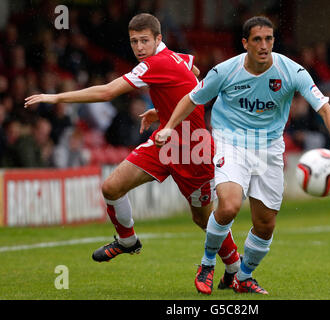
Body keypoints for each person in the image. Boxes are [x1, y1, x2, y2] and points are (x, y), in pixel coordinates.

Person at [24, 13, 240, 291]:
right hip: (164, 142)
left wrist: (56, 96)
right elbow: (194, 76)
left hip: (193, 149)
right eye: (134, 41)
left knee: (203, 219)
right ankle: (127, 240)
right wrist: (163, 109)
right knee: (111, 187)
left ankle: (235, 268)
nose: (138, 47)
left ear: (158, 39)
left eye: (144, 41)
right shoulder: (178, 57)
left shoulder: (155, 64)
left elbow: (107, 92)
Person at [156, 16, 330, 295]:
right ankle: (207, 263)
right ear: (245, 43)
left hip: (269, 147)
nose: (263, 45)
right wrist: (168, 127)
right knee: (230, 205)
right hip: (230, 141)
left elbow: (326, 109)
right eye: (257, 39)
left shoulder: (292, 72)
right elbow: (191, 98)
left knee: (265, 223)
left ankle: (243, 277)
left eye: (268, 39)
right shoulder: (225, 71)